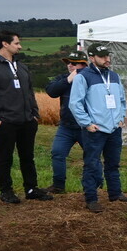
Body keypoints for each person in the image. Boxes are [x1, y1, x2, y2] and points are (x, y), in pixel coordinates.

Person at [0, 30, 53, 204]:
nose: (20, 46)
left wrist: (34, 114)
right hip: (6, 122)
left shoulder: (22, 66)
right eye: (17, 43)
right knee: (5, 157)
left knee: (28, 157)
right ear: (5, 44)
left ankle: (31, 188)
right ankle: (6, 191)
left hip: (27, 120)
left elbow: (30, 92)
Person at [70, 42, 127, 212]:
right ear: (92, 58)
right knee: (91, 164)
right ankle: (91, 198)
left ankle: (115, 193)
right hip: (96, 130)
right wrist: (87, 123)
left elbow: (122, 100)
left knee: (113, 163)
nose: (107, 59)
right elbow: (75, 103)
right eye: (102, 56)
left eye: (108, 55)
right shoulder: (83, 77)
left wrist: (120, 118)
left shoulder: (114, 76)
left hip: (114, 128)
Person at [44, 51, 89, 193]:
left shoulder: (91, 79)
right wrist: (69, 79)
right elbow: (51, 91)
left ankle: (94, 186)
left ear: (84, 65)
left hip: (86, 127)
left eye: (74, 63)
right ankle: (58, 186)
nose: (70, 65)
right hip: (66, 126)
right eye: (68, 63)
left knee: (91, 157)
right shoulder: (64, 78)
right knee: (57, 153)